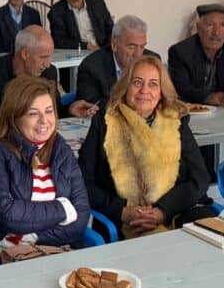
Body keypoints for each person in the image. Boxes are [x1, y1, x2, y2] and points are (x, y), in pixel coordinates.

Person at [78, 55, 216, 239]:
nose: (145, 90)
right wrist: (123, 211)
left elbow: (199, 178)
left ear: (161, 91)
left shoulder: (176, 120)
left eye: (153, 84)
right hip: (123, 221)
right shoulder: (105, 121)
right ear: (126, 86)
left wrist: (162, 211)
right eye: (137, 82)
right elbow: (83, 182)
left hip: (176, 214)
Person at [0, 75, 89, 264]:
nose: (44, 121)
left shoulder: (61, 149)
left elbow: (80, 218)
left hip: (54, 249)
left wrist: (32, 238)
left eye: (49, 111)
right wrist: (62, 209)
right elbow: (6, 215)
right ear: (14, 117)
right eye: (33, 113)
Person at [0, 26, 95, 129]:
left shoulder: (49, 72)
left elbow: (53, 113)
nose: (48, 63)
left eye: (50, 57)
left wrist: (69, 110)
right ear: (25, 54)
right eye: (43, 57)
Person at [168, 3, 224, 106]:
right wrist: (210, 97)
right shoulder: (181, 52)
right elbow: (182, 89)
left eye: (222, 25)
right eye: (210, 25)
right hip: (194, 112)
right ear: (198, 28)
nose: (216, 32)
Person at [75, 15, 160, 107]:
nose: (138, 54)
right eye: (131, 47)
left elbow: (165, 99)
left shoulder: (152, 61)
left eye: (142, 47)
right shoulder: (92, 67)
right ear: (114, 45)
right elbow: (91, 108)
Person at [47, 0, 114, 51]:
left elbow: (111, 28)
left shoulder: (97, 3)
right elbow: (60, 41)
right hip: (77, 53)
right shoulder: (56, 11)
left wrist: (107, 49)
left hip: (102, 50)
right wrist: (86, 46)